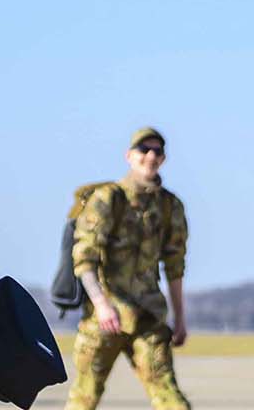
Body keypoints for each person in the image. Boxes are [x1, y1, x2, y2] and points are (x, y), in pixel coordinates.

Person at [67, 127, 192, 410]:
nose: (150, 156)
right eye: (143, 150)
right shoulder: (108, 199)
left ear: (163, 158)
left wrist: (180, 317)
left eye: (157, 151)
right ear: (129, 156)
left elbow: (175, 265)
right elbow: (84, 257)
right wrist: (101, 304)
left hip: (147, 316)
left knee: (171, 399)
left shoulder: (170, 206)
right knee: (84, 398)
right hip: (105, 320)